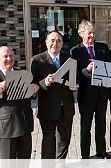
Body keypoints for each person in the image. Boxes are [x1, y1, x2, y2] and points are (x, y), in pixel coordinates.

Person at [31, 31, 77, 159]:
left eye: (58, 41)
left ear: (62, 43)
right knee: (48, 141)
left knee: (64, 140)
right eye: (52, 40)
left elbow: (75, 79)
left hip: (66, 108)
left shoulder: (70, 59)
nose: (55, 43)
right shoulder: (36, 60)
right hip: (47, 108)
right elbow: (33, 83)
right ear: (46, 42)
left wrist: (74, 86)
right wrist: (45, 82)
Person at [70, 20, 111, 159]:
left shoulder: (103, 47)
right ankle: (85, 156)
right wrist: (86, 70)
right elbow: (74, 75)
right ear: (81, 34)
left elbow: (109, 68)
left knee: (101, 125)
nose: (92, 35)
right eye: (89, 33)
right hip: (86, 96)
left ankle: (101, 152)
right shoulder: (75, 51)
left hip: (101, 95)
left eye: (94, 33)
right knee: (85, 128)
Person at [0, 46, 38, 159]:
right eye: (5, 56)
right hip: (6, 129)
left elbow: (28, 96)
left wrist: (33, 91)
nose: (9, 59)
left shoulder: (22, 73)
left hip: (25, 124)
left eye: (11, 56)